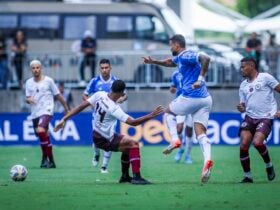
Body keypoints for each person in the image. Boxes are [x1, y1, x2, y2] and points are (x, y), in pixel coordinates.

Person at [54, 79, 164, 184]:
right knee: (134, 144)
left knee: (127, 146)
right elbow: (133, 122)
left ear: (111, 88)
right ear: (121, 94)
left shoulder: (99, 94)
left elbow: (80, 106)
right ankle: (137, 177)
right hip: (105, 138)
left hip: (96, 135)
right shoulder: (114, 108)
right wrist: (152, 115)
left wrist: (64, 119)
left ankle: (125, 176)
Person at [142, 34, 213, 183]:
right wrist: (153, 61)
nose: (170, 47)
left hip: (191, 97)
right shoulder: (179, 58)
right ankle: (207, 161)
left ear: (177, 45)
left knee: (167, 113)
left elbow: (206, 58)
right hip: (205, 99)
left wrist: (200, 79)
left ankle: (175, 140)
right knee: (201, 134)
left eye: (171, 45)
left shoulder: (186, 55)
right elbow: (170, 62)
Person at [237, 57, 279, 183]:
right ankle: (248, 176)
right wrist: (241, 107)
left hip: (265, 117)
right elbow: (243, 106)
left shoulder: (266, 77)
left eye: (243, 67)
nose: (241, 69)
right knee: (244, 144)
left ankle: (268, 165)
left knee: (257, 143)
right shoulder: (243, 85)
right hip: (249, 117)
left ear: (251, 66)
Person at [25, 60, 70, 168]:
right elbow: (27, 98)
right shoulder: (28, 82)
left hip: (47, 110)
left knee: (40, 130)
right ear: (31, 70)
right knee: (43, 135)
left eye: (37, 67)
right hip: (35, 113)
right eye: (33, 68)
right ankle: (49, 160)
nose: (36, 70)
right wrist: (29, 100)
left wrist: (66, 109)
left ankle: (46, 158)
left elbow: (58, 95)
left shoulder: (48, 81)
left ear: (41, 68)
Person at [83, 58, 122, 174]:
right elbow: (84, 96)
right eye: (102, 68)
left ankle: (104, 166)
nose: (104, 70)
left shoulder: (115, 81)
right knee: (96, 141)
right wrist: (92, 103)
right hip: (97, 117)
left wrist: (120, 99)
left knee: (109, 140)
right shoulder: (94, 81)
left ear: (110, 68)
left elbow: (124, 95)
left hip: (111, 117)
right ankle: (96, 154)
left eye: (106, 68)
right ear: (100, 69)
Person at [169, 70, 193, 164]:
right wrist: (172, 89)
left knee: (189, 131)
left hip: (192, 104)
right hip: (180, 104)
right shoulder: (175, 74)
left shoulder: (193, 72)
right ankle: (181, 149)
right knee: (179, 128)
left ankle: (188, 155)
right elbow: (173, 87)